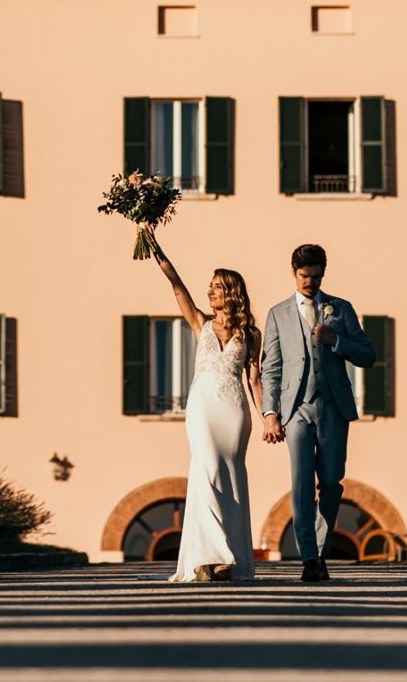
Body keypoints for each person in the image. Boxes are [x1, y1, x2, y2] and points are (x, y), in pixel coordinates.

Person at [147, 234, 263, 583]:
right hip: (202, 407)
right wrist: (155, 246)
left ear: (231, 291)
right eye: (209, 286)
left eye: (215, 287)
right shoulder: (201, 323)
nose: (209, 291)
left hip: (234, 411)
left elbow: (255, 382)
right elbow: (177, 286)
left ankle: (214, 561)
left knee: (230, 476)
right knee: (206, 469)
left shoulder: (251, 334)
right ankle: (216, 554)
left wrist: (267, 418)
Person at [260, 243, 375, 583]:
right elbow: (271, 368)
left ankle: (321, 551)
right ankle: (310, 558)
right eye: (304, 276)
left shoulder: (340, 309)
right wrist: (270, 413)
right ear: (293, 272)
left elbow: (367, 355)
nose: (310, 282)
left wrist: (335, 339)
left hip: (333, 408)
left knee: (330, 483)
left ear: (324, 273)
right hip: (295, 410)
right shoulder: (277, 314)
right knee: (300, 485)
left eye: (316, 276)